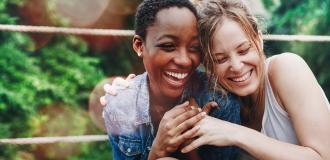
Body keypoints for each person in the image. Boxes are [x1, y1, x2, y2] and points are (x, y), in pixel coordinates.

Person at [180, 0, 330, 159]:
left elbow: (324, 156)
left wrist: (236, 133)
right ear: (208, 66)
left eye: (243, 50)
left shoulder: (287, 68)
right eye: (221, 60)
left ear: (258, 40)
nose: (237, 67)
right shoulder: (220, 104)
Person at [101, 0, 240, 159]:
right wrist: (158, 150)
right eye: (168, 46)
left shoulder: (219, 101)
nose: (184, 61)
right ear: (140, 46)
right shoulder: (120, 105)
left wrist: (192, 147)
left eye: (194, 48)